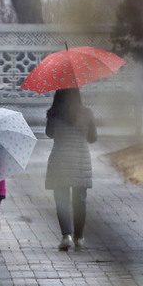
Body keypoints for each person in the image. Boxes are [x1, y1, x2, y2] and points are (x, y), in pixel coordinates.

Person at [45, 87, 97, 251]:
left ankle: (66, 235)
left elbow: (50, 134)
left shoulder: (54, 113)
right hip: (80, 160)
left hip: (60, 160)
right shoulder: (87, 113)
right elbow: (92, 138)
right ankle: (79, 237)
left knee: (61, 200)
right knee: (80, 200)